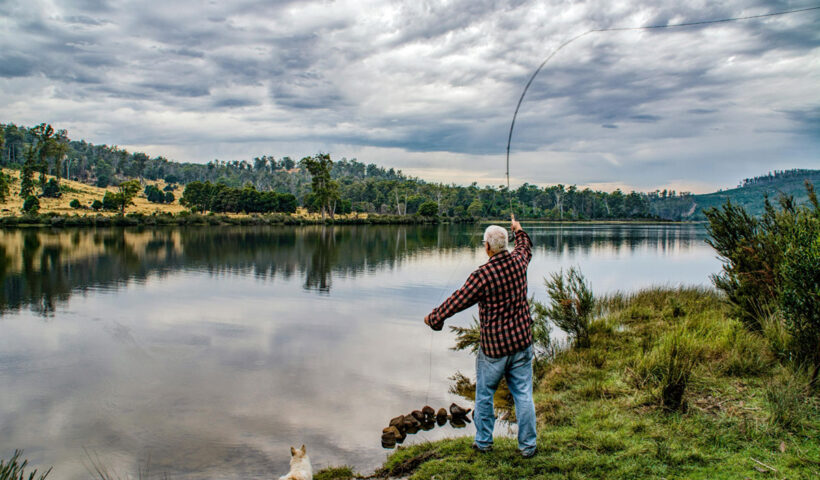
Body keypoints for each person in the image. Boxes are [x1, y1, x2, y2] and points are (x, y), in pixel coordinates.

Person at [424, 215, 536, 458]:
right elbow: (525, 246)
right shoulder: (518, 261)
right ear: (504, 245)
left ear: (487, 247)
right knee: (524, 395)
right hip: (521, 343)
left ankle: (484, 442)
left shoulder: (483, 275)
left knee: (485, 395)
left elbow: (459, 300)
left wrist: (435, 318)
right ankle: (528, 447)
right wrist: (518, 229)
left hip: (494, 349)